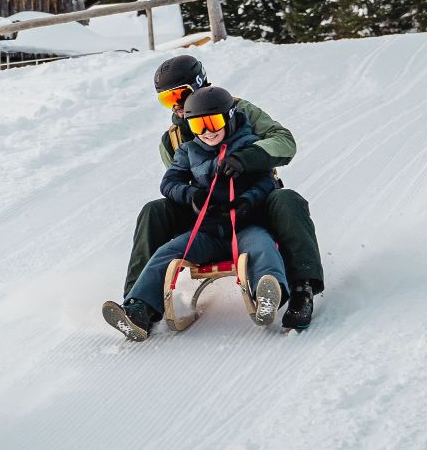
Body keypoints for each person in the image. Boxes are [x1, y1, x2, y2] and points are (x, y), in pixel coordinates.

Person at [124, 54, 325, 331]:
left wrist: (248, 159)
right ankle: (138, 306)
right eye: (167, 100)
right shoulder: (172, 139)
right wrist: (193, 199)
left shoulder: (238, 110)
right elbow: (174, 181)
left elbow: (285, 143)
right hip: (207, 215)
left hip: (254, 205)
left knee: (287, 200)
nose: (177, 106)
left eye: (179, 95)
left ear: (198, 83)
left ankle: (301, 291)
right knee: (154, 210)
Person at [104, 86, 290, 341]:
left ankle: (268, 294)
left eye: (213, 122)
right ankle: (139, 309)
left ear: (230, 117)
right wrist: (191, 196)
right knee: (166, 253)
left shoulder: (248, 147)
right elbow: (169, 183)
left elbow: (267, 181)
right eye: (197, 126)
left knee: (263, 246)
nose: (207, 132)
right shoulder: (188, 151)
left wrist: (248, 201)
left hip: (246, 227)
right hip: (209, 232)